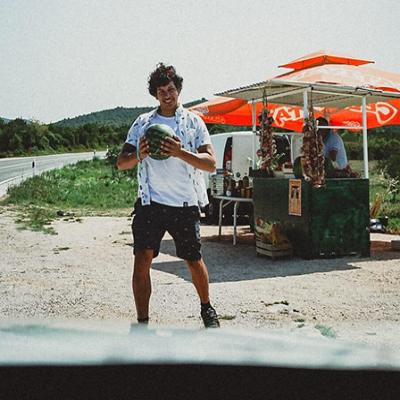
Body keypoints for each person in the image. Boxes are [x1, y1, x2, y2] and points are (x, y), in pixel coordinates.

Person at [117, 63, 220, 328]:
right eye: (161, 91)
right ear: (155, 94)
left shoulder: (193, 123)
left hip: (184, 204)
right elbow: (122, 162)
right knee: (142, 259)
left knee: (193, 260)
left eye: (171, 89)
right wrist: (139, 154)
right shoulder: (143, 123)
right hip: (150, 203)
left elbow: (211, 164)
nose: (167, 95)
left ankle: (206, 307)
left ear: (178, 90)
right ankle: (142, 322)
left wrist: (179, 152)